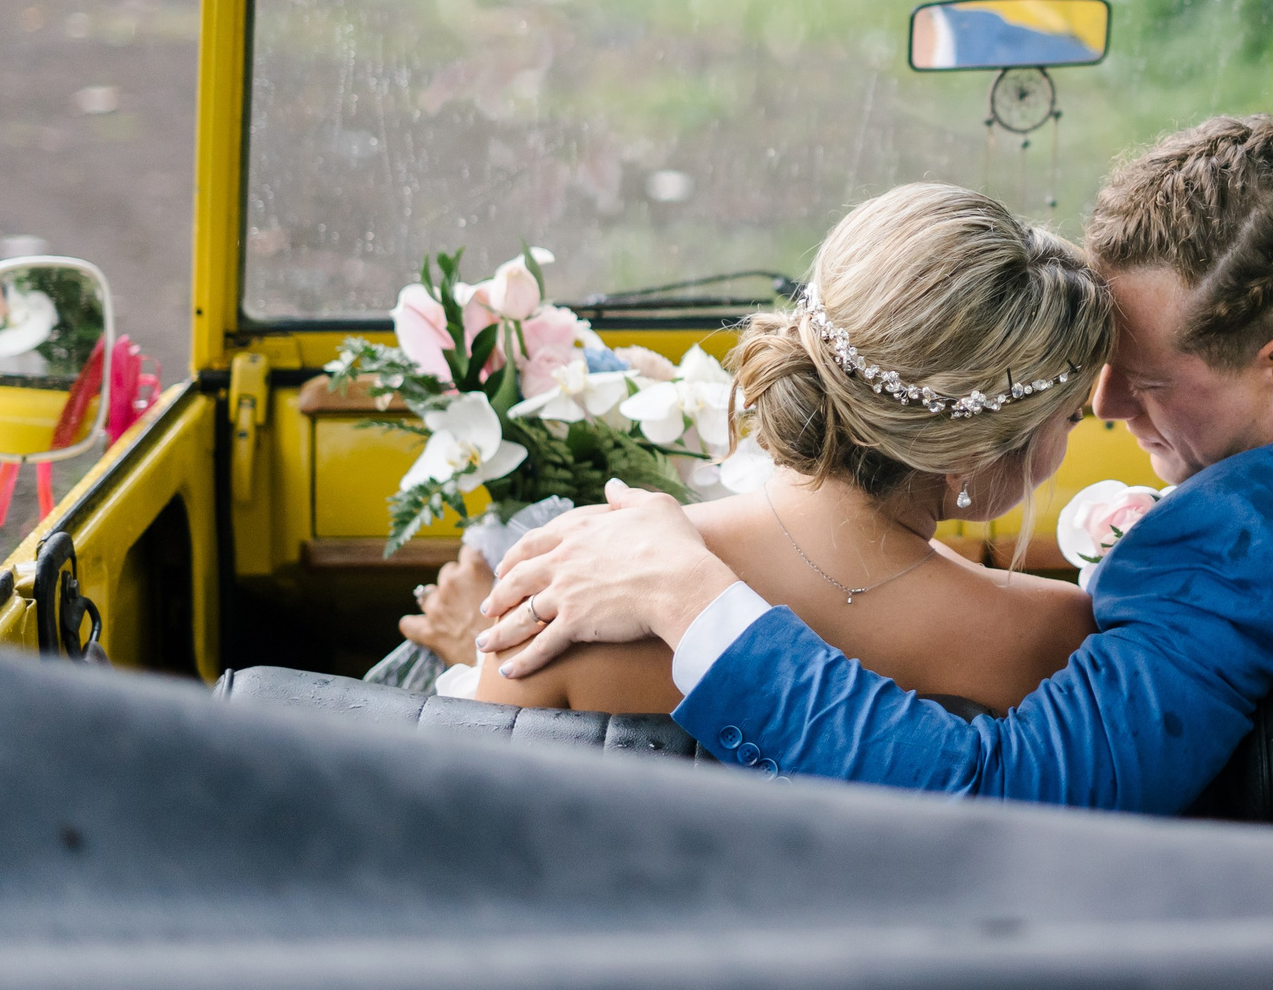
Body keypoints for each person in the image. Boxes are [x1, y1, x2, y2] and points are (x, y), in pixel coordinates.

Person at [481, 60, 1273, 813]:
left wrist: (699, 605)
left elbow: (1002, 798)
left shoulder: (1230, 546)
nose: (1101, 410)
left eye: (1142, 381)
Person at [424, 183, 1109, 717]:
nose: (1072, 436)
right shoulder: (1052, 638)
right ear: (972, 450)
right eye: (1071, 416)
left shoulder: (571, 580)